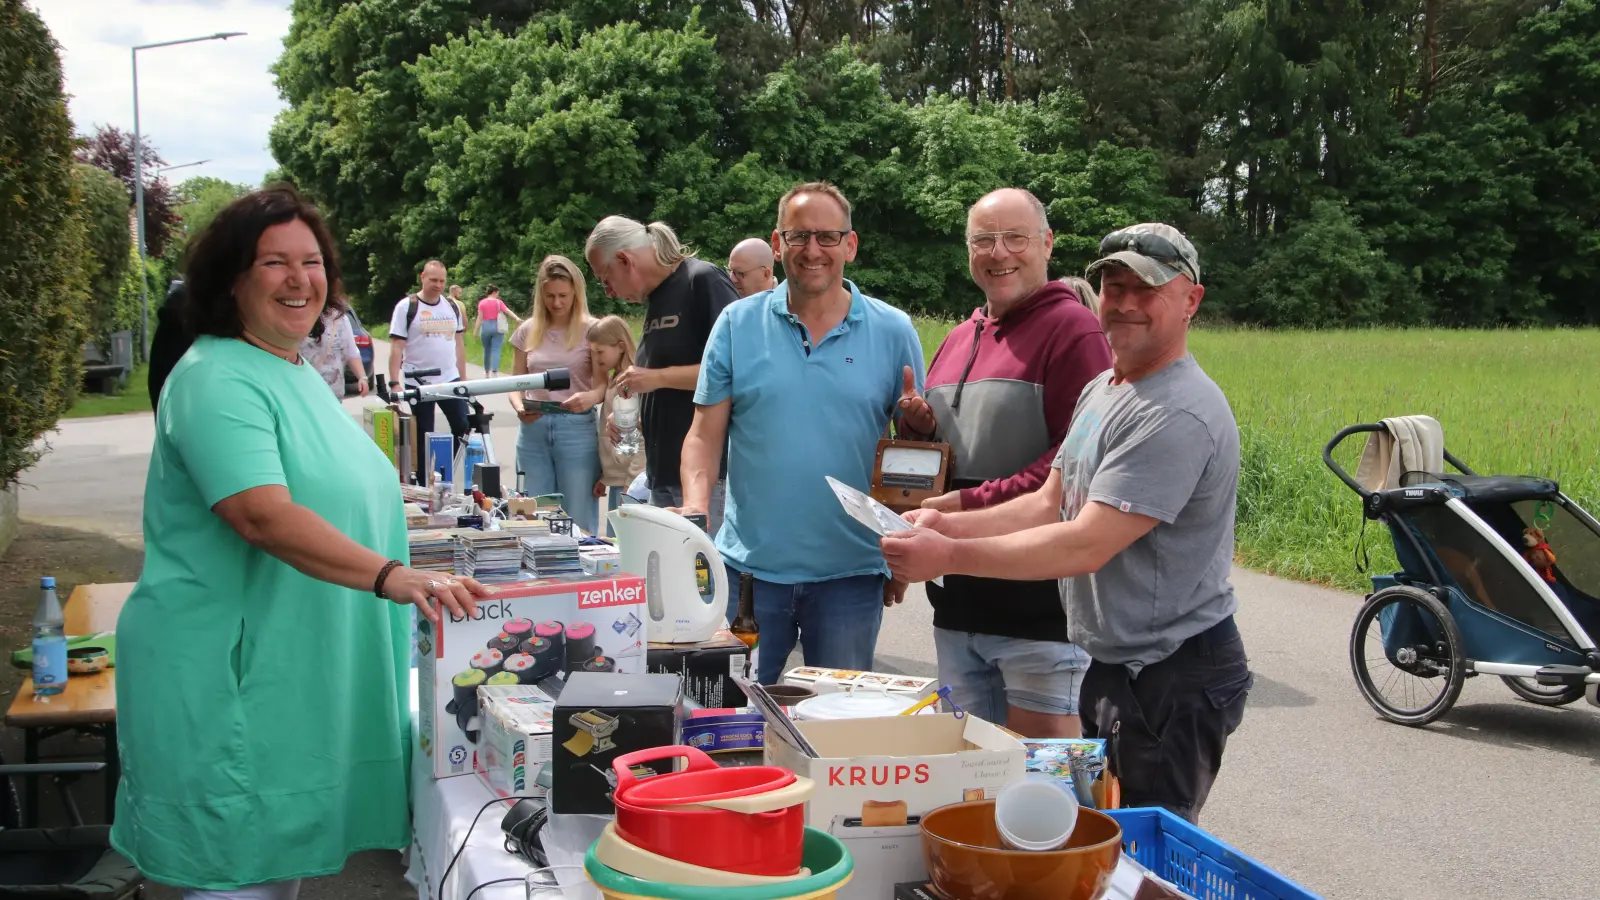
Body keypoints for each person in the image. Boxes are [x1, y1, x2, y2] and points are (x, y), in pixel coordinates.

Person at [112, 185, 488, 898]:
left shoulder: (290, 369)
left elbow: (325, 483)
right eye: (274, 262)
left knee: (276, 871)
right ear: (231, 278)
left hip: (291, 672)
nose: (299, 279)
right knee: (236, 876)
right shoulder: (215, 377)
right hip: (230, 677)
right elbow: (261, 514)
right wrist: (392, 576)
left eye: (311, 261)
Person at [881, 223, 1251, 823]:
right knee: (1094, 835)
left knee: (1147, 855)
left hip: (1172, 672)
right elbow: (1051, 499)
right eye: (1113, 284)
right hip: (1113, 665)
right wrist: (950, 524)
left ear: (1191, 300)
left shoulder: (1177, 411)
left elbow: (1086, 543)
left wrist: (947, 558)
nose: (1126, 302)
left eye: (1146, 288)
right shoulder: (1105, 388)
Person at [679, 182, 934, 684]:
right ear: (778, 244)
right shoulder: (736, 323)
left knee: (836, 733)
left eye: (827, 236)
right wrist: (694, 511)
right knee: (733, 717)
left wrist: (901, 548)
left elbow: (912, 457)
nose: (812, 250)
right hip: (749, 572)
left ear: (850, 245)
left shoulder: (894, 330)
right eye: (799, 237)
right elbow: (703, 436)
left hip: (851, 576)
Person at [918, 188, 1112, 737]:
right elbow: (966, 445)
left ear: (1047, 244)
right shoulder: (959, 337)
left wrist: (964, 502)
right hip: (957, 610)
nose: (998, 251)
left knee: (1043, 803)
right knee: (968, 795)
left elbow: (1071, 459)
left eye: (1015, 237)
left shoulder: (1075, 330)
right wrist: (920, 429)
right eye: (983, 239)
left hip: (1039, 619)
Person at [584, 216, 737, 533]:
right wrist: (634, 418)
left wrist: (656, 378)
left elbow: (737, 370)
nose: (609, 292)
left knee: (703, 578)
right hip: (663, 471)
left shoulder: (702, 280)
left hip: (708, 477)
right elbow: (666, 387)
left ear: (625, 260)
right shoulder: (656, 299)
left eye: (605, 278)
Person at [507, 255, 606, 536]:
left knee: (577, 513)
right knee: (532, 512)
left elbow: (602, 386)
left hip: (576, 427)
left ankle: (584, 572)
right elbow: (516, 382)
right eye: (550, 296)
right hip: (533, 427)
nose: (557, 303)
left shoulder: (593, 329)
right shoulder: (527, 330)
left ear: (576, 292)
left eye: (563, 295)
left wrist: (589, 398)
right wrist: (518, 407)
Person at [387, 260, 470, 479]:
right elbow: (397, 347)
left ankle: (443, 471)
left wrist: (464, 380)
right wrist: (394, 382)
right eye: (433, 280)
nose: (438, 285)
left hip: (450, 379)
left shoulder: (452, 307)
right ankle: (424, 483)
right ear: (422, 277)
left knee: (463, 426)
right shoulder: (407, 307)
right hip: (419, 382)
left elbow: (459, 344)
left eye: (442, 281)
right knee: (425, 433)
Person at [587, 315, 647, 537]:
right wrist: (607, 476)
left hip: (629, 484)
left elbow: (637, 437)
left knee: (622, 543)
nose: (596, 357)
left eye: (600, 352)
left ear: (620, 346)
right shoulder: (615, 380)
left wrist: (631, 482)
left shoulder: (630, 382)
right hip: (618, 480)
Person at [300, 307, 369, 399]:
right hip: (303, 392)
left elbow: (351, 352)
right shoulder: (297, 316)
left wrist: (362, 377)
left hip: (334, 394)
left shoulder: (340, 318)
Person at [469, 283, 522, 377]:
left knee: (487, 350)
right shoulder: (499, 302)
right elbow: (507, 311)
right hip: (498, 327)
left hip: (486, 327)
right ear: (494, 292)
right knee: (496, 349)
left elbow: (479, 318)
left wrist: (475, 331)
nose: (498, 295)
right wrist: (516, 318)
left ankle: (486, 372)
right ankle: (495, 371)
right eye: (497, 293)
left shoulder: (482, 303)